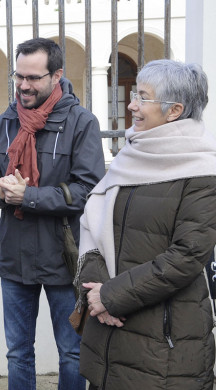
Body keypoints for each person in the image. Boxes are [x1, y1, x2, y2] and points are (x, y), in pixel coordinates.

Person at [78, 59, 216, 389]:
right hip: (109, 335)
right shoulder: (133, 156)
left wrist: (112, 296)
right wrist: (96, 295)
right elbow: (95, 226)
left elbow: (186, 257)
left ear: (174, 110)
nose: (132, 105)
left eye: (142, 96)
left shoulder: (202, 170)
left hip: (164, 342)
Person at [0, 37, 105, 390]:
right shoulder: (5, 121)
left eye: (33, 78)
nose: (23, 85)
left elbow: (88, 190)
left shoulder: (81, 122)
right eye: (19, 77)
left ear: (57, 75)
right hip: (15, 257)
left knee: (72, 352)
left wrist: (28, 196)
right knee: (18, 352)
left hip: (65, 258)